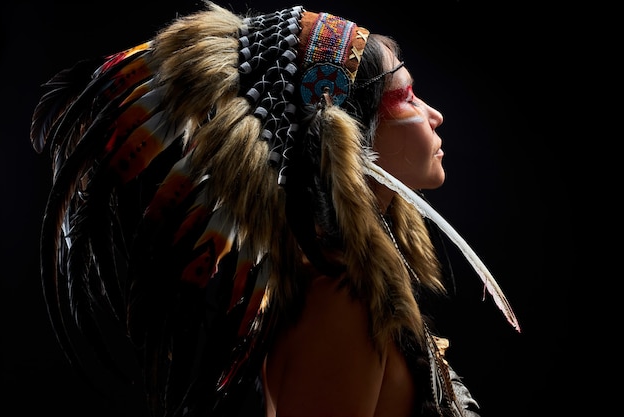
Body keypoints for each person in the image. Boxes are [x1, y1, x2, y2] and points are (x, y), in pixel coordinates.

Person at [29, 1, 520, 416]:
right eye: (407, 96)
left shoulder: (346, 285)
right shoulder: (338, 303)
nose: (435, 115)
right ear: (347, 133)